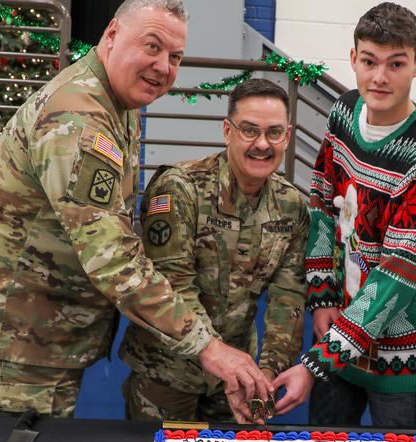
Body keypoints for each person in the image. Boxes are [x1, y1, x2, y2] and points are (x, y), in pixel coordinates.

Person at [0, 0, 271, 420]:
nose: (163, 66)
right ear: (111, 35)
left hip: (44, 337)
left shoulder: (116, 104)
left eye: (175, 56)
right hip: (19, 349)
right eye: (152, 46)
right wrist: (207, 346)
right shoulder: (79, 119)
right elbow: (112, 259)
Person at [272, 2, 416, 427]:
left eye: (396, 64)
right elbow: (321, 203)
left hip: (403, 356)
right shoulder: (344, 112)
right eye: (369, 61)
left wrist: (316, 364)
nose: (380, 77)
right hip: (337, 332)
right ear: (352, 59)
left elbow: (395, 278)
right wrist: (322, 299)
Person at [118, 79, 309, 423]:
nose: (262, 144)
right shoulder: (181, 189)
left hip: (237, 379)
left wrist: (265, 375)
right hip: (167, 374)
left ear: (288, 136)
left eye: (274, 132)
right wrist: (222, 362)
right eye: (249, 130)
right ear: (227, 131)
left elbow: (288, 301)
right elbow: (173, 286)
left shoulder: (292, 206)